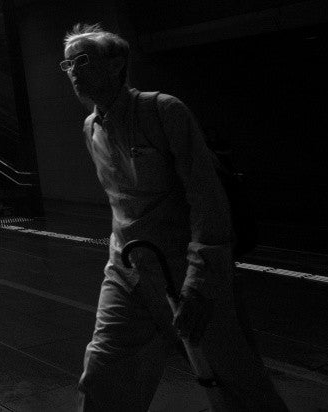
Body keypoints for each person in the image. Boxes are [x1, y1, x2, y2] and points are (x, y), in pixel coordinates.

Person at [62, 23, 286, 411]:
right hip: (126, 270)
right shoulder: (89, 129)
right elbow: (122, 206)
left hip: (187, 272)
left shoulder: (163, 110)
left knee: (236, 381)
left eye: (84, 59)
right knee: (103, 376)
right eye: (68, 64)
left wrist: (201, 279)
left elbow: (206, 198)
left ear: (117, 65)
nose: (75, 71)